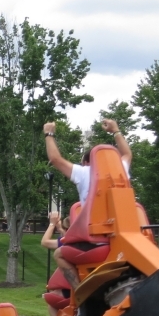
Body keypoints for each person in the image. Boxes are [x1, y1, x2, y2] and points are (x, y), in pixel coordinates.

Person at [43, 119, 131, 286]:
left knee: (59, 254)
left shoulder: (84, 173)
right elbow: (127, 154)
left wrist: (49, 133)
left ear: (85, 162)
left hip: (96, 241)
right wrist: (116, 130)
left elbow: (55, 159)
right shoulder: (121, 171)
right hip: (122, 238)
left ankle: (79, 293)